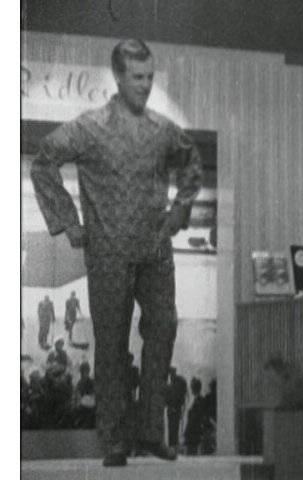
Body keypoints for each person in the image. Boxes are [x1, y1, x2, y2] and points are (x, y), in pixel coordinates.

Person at [30, 38, 202, 467]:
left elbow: (191, 161)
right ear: (119, 78)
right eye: (138, 77)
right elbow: (44, 161)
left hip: (155, 250)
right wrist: (69, 223)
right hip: (108, 252)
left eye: (150, 77)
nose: (145, 85)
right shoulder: (90, 127)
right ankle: (114, 440)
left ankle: (151, 430)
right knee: (110, 344)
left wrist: (179, 210)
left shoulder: (161, 129)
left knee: (164, 327)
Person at [166, 366, 188, 449]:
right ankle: (173, 445)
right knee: (174, 428)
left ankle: (172, 445)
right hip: (176, 409)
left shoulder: (174, 385)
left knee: (172, 428)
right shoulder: (177, 383)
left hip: (173, 409)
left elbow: (171, 399)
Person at [184, 377, 207, 455]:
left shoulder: (198, 400)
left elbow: (194, 416)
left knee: (191, 450)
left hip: (193, 428)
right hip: (194, 428)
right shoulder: (199, 399)